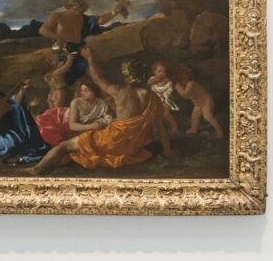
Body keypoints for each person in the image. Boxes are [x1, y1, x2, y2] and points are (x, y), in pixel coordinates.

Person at [28, 49, 171, 175]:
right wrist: (167, 151)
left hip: (112, 141)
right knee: (75, 148)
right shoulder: (153, 98)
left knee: (64, 145)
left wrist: (90, 58)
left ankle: (36, 169)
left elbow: (96, 78)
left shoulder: (120, 92)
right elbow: (160, 126)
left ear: (126, 76)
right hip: (132, 147)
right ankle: (64, 159)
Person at [39, 0, 129, 85]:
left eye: (81, 10)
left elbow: (100, 20)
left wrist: (115, 11)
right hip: (63, 52)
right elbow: (43, 30)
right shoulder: (57, 16)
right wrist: (58, 38)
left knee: (97, 73)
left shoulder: (83, 19)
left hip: (78, 50)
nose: (78, 12)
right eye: (76, 9)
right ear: (70, 7)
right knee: (62, 78)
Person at [173, 65, 224, 138]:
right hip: (198, 103)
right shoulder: (184, 84)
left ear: (187, 76)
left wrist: (178, 88)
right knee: (195, 115)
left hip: (206, 101)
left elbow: (185, 96)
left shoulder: (191, 83)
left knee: (207, 116)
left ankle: (219, 130)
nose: (181, 79)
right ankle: (194, 129)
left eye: (183, 76)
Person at [147, 61, 180, 134]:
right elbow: (149, 83)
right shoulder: (152, 79)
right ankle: (155, 128)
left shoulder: (166, 80)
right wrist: (156, 80)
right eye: (159, 71)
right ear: (154, 72)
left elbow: (168, 90)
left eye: (163, 71)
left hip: (166, 99)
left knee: (166, 114)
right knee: (154, 114)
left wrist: (160, 80)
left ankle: (174, 125)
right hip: (156, 100)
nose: (162, 73)